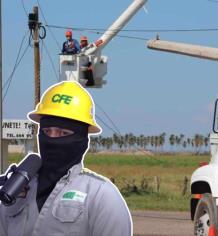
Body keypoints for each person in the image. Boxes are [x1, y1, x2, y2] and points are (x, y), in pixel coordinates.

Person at [0, 81, 132, 236]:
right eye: (47, 131)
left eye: (63, 133)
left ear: (83, 140)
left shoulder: (102, 196)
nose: (52, 139)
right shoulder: (17, 190)